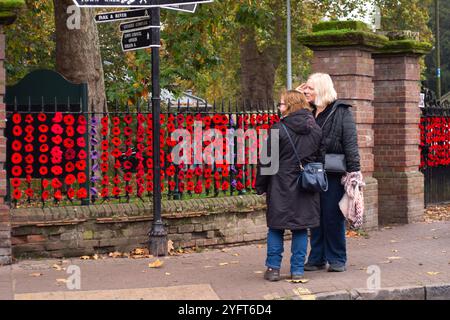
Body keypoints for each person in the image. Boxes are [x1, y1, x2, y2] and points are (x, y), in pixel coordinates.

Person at [297, 73, 362, 272]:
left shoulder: (341, 111)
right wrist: (297, 97)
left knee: (333, 216)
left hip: (332, 174)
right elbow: (286, 120)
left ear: (322, 89)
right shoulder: (307, 110)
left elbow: (350, 144)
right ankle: (317, 258)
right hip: (310, 172)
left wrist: (354, 175)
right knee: (314, 216)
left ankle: (337, 258)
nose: (306, 90)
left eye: (309, 88)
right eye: (305, 88)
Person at [256, 90, 323, 281]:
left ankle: (273, 269)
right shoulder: (316, 129)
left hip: (280, 185)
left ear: (291, 106)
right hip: (306, 185)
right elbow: (320, 157)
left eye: (282, 104)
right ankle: (297, 270)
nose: (279, 107)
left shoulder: (278, 129)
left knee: (276, 227)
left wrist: (260, 185)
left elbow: (267, 162)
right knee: (300, 228)